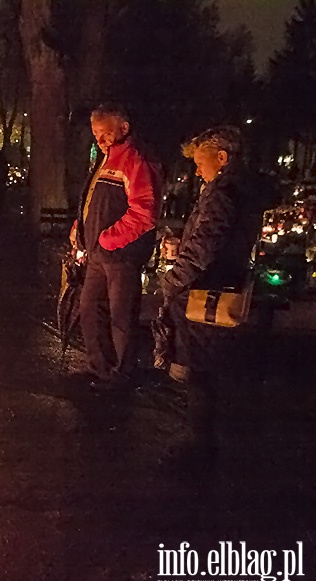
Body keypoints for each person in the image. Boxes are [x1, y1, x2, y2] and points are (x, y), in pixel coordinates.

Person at [160, 127, 262, 458]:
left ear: (222, 158)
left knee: (200, 366)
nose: (197, 171)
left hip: (206, 292)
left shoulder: (223, 193)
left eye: (201, 163)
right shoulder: (240, 189)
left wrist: (174, 278)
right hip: (222, 285)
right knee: (209, 367)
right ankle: (203, 436)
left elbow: (204, 246)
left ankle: (199, 442)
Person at [73, 104, 163, 388]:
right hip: (100, 253)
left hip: (121, 254)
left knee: (121, 315)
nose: (99, 140)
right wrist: (80, 228)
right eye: (96, 134)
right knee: (90, 307)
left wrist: (108, 239)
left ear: (123, 128)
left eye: (105, 133)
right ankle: (100, 367)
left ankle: (121, 372)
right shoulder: (105, 159)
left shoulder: (136, 160)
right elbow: (94, 201)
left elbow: (145, 213)